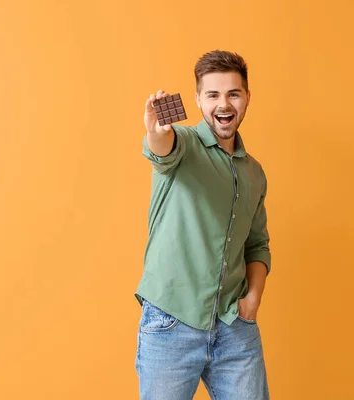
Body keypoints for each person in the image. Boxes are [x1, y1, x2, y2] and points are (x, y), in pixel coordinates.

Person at [135, 49, 272, 400]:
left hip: (234, 327)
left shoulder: (254, 172)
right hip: (172, 323)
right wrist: (156, 130)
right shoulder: (185, 144)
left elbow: (256, 244)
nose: (223, 104)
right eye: (212, 94)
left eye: (233, 93)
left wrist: (253, 298)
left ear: (246, 98)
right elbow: (162, 148)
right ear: (197, 99)